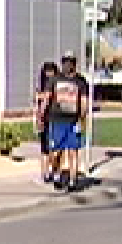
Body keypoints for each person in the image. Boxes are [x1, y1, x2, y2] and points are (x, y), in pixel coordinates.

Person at [43, 54, 89, 191]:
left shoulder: (80, 81)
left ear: (74, 64)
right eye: (65, 62)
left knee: (72, 151)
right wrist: (41, 114)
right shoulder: (55, 80)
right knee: (56, 152)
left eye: (70, 62)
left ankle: (72, 180)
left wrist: (82, 119)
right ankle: (57, 174)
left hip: (73, 121)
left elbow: (84, 102)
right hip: (57, 120)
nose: (67, 65)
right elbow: (47, 98)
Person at [34, 60, 60, 184]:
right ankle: (44, 173)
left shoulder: (58, 86)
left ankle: (55, 171)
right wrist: (38, 119)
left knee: (55, 147)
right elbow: (37, 101)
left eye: (51, 71)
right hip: (44, 118)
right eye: (47, 71)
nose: (49, 74)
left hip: (56, 118)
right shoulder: (41, 87)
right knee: (44, 147)